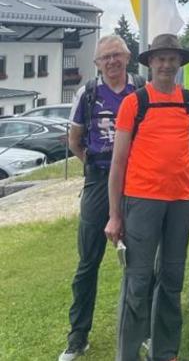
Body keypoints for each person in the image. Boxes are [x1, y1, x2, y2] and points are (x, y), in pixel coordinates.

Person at [104, 33, 189, 361]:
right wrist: (115, 214)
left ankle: (164, 351)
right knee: (138, 281)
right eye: (160, 58)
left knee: (172, 279)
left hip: (180, 202)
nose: (166, 64)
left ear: (179, 63)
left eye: (171, 58)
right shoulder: (135, 103)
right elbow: (118, 161)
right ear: (150, 63)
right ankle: (128, 354)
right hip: (142, 201)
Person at [58, 35, 144, 361]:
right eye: (105, 57)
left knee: (140, 259)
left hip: (137, 180)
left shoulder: (139, 90)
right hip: (98, 180)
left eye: (117, 55)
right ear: (97, 63)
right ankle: (78, 337)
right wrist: (94, 166)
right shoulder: (89, 93)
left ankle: (142, 330)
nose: (112, 61)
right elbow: (75, 139)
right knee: (87, 262)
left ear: (127, 57)